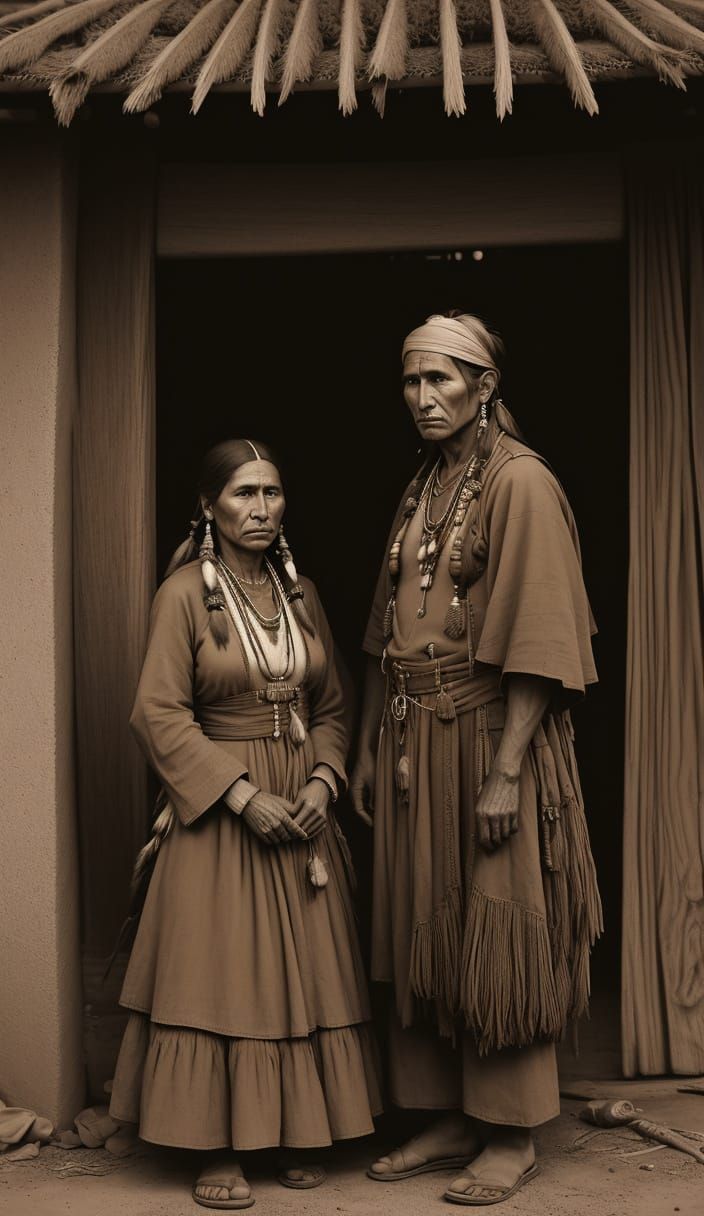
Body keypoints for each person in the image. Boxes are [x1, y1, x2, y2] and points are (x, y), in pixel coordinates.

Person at [351, 313, 602, 1206]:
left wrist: (507, 771)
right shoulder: (428, 479)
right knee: (427, 925)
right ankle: (447, 1113)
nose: (422, 399)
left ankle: (509, 1130)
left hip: (494, 737)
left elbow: (541, 639)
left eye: (442, 382)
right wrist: (374, 745)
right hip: (417, 738)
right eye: (412, 382)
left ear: (484, 386)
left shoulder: (518, 482)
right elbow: (387, 631)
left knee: (498, 930)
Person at [109, 439, 380, 1210]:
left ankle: (296, 1129)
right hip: (222, 816)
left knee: (303, 976)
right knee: (227, 977)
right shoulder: (183, 598)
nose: (261, 509)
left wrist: (326, 781)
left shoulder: (302, 595)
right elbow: (157, 712)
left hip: (302, 811)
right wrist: (238, 796)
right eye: (242, 494)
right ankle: (218, 1146)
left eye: (272, 493)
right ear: (208, 507)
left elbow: (332, 701)